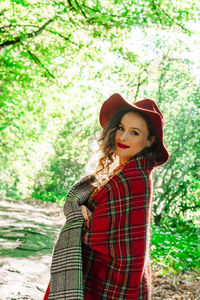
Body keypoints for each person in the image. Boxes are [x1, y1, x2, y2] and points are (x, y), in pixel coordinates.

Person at [43, 93, 169, 300]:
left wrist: (81, 217)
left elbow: (106, 235)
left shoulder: (134, 177)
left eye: (134, 133)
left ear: (149, 141)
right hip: (103, 272)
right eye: (121, 128)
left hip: (111, 278)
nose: (123, 137)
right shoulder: (126, 169)